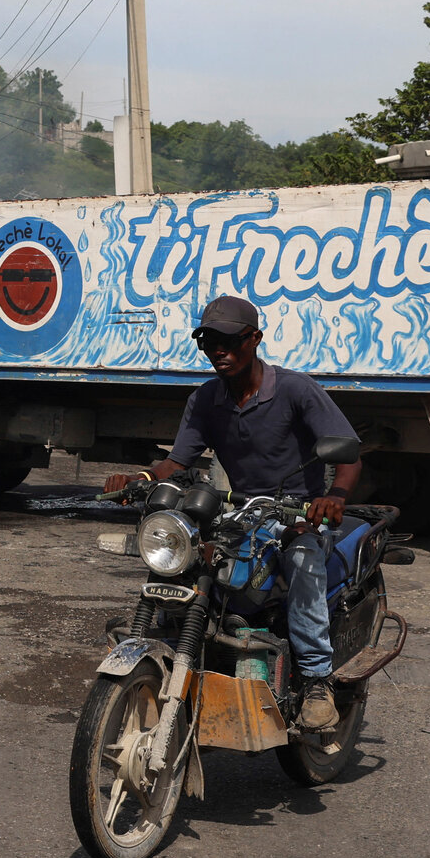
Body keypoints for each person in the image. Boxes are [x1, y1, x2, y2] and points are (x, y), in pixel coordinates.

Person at [104, 295, 360, 732]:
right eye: (207, 341)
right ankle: (182, 644)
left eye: (229, 341)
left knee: (301, 562)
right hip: (238, 511)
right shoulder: (206, 399)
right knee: (185, 555)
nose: (218, 350)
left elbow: (349, 455)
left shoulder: (296, 390)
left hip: (294, 512)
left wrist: (332, 497)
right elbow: (176, 461)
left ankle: (317, 680)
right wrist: (141, 478)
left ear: (255, 339)